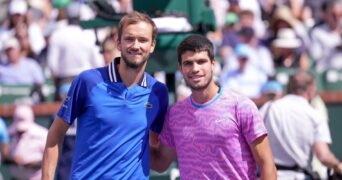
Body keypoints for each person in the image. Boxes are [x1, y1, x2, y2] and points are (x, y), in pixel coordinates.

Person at [42, 11, 169, 179]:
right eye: (129, 39)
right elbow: (54, 135)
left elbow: (158, 160)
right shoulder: (87, 81)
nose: (136, 45)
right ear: (118, 42)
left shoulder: (158, 92)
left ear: (152, 45)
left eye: (143, 40)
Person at [150, 34, 276, 179]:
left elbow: (267, 164)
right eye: (188, 63)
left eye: (201, 61)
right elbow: (160, 163)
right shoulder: (174, 114)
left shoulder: (241, 106)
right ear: (180, 68)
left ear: (213, 64)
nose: (195, 68)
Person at [260, 70, 342, 179]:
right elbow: (323, 155)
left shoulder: (268, 108)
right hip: (297, 176)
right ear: (311, 90)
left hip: (268, 176)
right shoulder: (314, 115)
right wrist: (337, 165)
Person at [6, 104, 48, 180]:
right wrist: (12, 159)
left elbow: (50, 160)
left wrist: (33, 163)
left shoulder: (43, 134)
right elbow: (3, 156)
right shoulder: (8, 134)